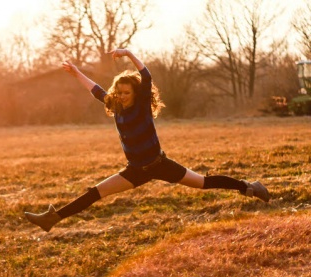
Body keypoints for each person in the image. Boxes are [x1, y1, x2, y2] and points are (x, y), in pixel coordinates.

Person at [25, 49, 270, 232]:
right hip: (135, 171)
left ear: (135, 93)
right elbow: (96, 89)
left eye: (125, 92)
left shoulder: (141, 105)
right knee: (95, 193)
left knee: (203, 182)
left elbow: (146, 75)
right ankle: (52, 219)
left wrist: (129, 54)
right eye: (118, 92)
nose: (120, 96)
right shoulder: (115, 105)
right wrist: (77, 72)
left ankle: (248, 187)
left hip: (160, 165)